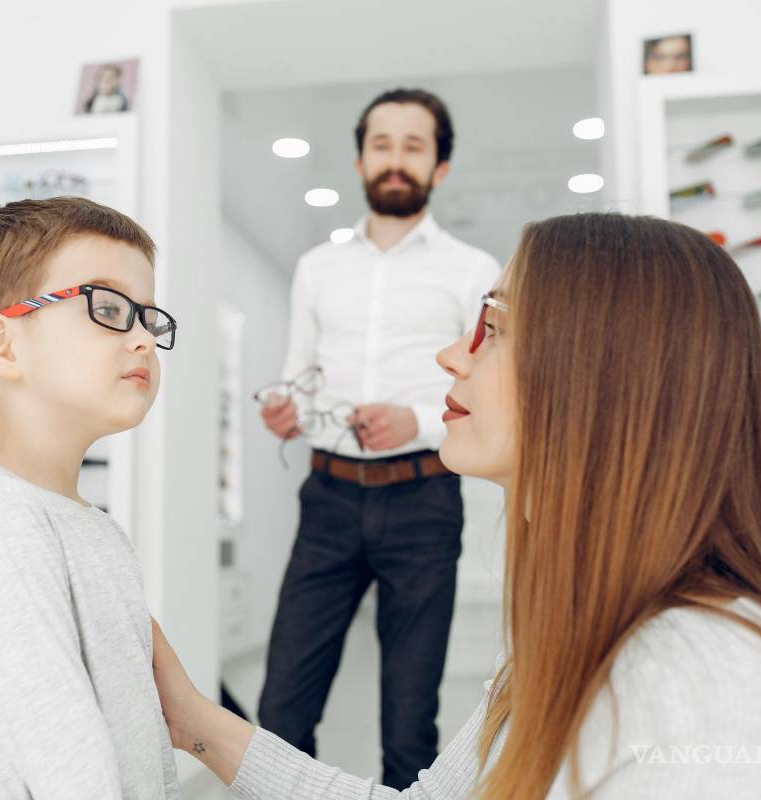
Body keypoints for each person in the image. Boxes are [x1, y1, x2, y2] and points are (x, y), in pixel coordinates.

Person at [153, 213, 761, 799]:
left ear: (599, 377)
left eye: (493, 330)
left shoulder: (696, 680)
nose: (451, 356)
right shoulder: (570, 634)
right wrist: (192, 721)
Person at [256, 87, 500, 790]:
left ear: (440, 167)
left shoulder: (472, 270)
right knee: (281, 709)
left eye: (413, 146)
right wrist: (284, 408)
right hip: (328, 499)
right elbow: (296, 379)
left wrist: (417, 423)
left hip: (423, 501)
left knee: (409, 722)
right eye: (382, 145)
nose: (395, 160)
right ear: (361, 160)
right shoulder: (317, 269)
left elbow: (483, 391)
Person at [0, 197, 179, 799]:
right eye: (108, 308)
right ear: (1, 344)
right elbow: (73, 770)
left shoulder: (96, 530)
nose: (141, 338)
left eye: (149, 318)